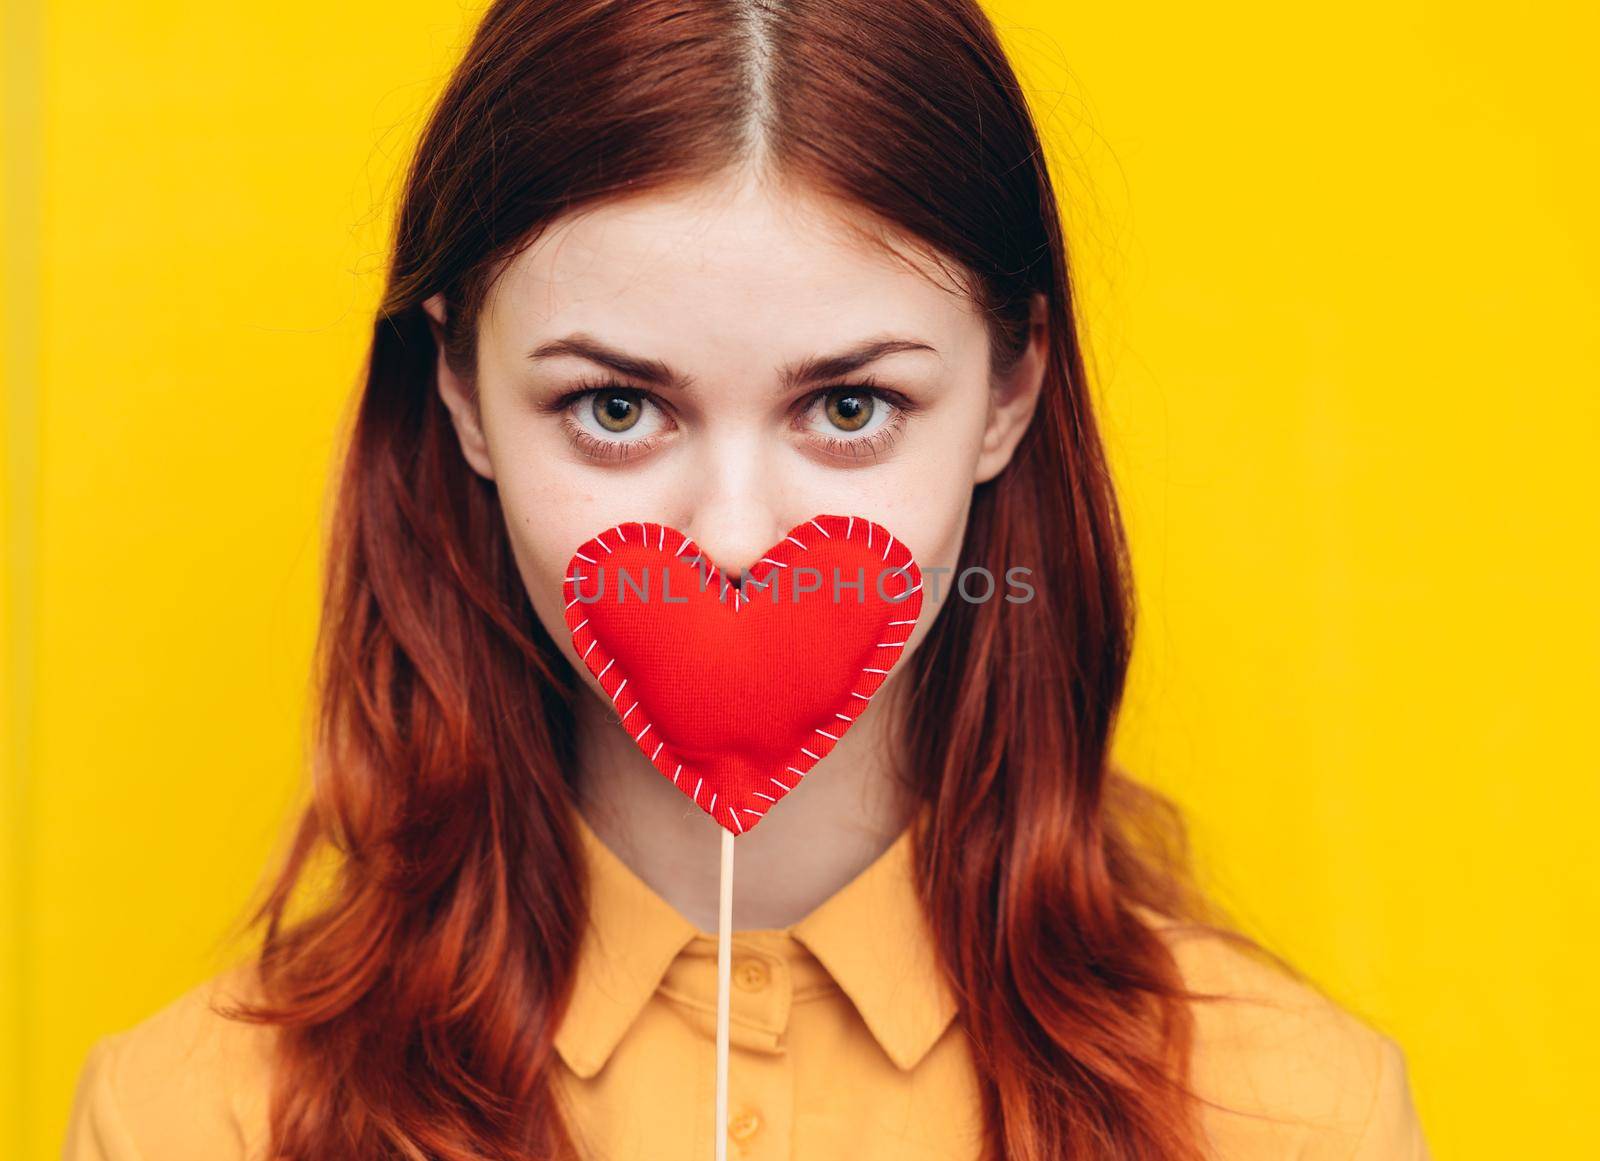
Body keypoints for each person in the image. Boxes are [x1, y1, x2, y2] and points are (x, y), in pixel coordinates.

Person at [61, 1, 1433, 1158]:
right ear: (467, 398)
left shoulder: (1291, 1115)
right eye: (612, 405)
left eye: (848, 407)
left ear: (1010, 390)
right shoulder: (195, 1119)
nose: (731, 535)